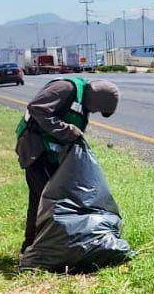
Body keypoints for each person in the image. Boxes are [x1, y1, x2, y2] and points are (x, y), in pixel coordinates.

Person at [16, 77, 120, 252]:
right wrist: (67, 130)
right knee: (45, 200)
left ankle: (41, 246)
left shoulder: (83, 101)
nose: (93, 112)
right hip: (35, 149)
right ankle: (38, 249)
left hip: (52, 152)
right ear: (94, 100)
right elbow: (37, 108)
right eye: (97, 109)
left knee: (53, 199)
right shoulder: (65, 88)